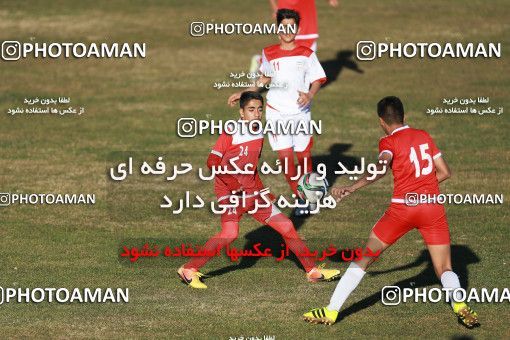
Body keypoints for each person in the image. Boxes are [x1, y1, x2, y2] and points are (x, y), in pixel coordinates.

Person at [303, 96, 479, 328]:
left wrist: (352, 187)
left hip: (402, 210)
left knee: (364, 259)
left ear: (381, 122)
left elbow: (380, 168)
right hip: (431, 208)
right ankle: (460, 305)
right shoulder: (424, 136)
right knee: (444, 268)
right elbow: (445, 172)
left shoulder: (388, 142)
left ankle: (331, 310)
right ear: (404, 116)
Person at [178, 91, 340, 288]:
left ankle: (312, 271)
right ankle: (189, 269)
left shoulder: (258, 132)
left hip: (252, 192)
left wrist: (261, 191)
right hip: (230, 192)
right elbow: (212, 162)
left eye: (259, 110)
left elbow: (251, 168)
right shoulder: (231, 130)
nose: (256, 114)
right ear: (241, 112)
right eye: (251, 110)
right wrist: (232, 184)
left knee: (287, 226)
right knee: (229, 233)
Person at [230, 9, 327, 216]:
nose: (288, 30)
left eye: (292, 26)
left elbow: (318, 78)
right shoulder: (269, 53)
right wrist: (245, 92)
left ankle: (310, 196)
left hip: (301, 113)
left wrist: (310, 95)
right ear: (277, 29)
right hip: (277, 113)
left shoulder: (307, 54)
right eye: (283, 26)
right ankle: (302, 197)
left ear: (298, 29)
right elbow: (264, 78)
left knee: (304, 157)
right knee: (285, 159)